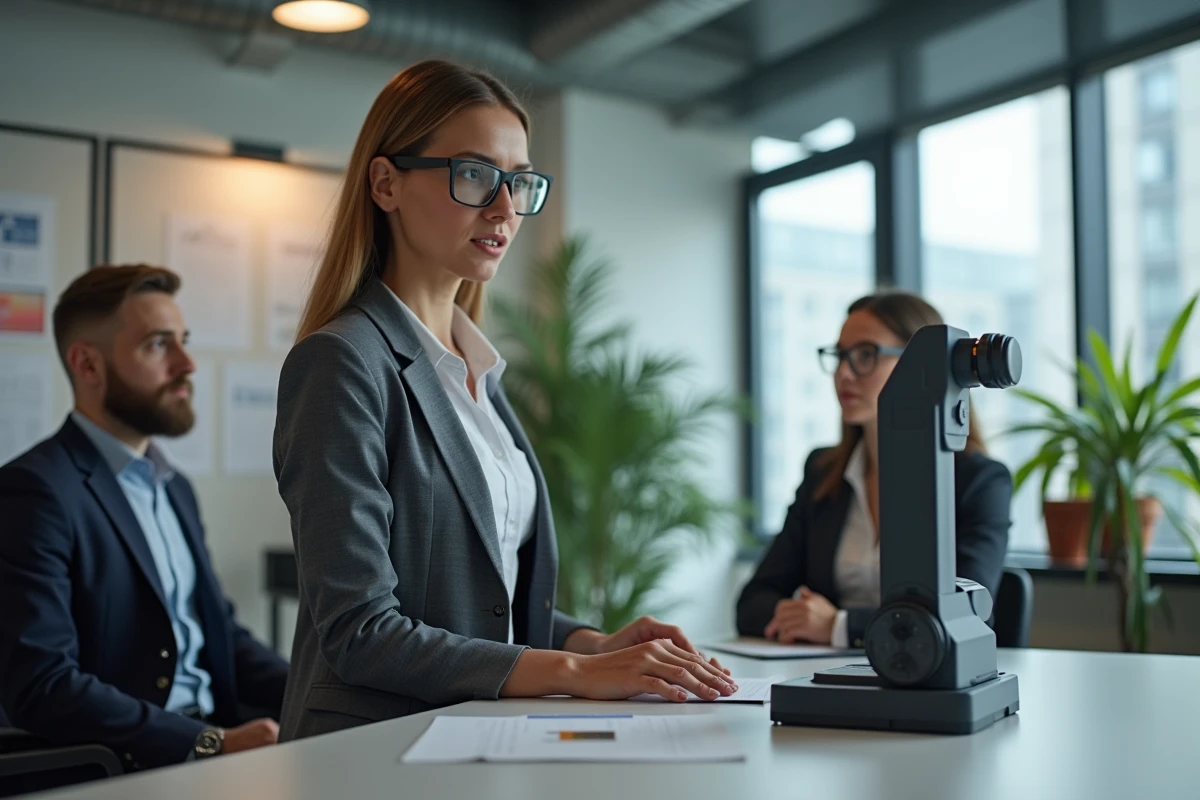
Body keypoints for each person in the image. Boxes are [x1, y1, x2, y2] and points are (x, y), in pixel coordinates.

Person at [273, 60, 734, 742]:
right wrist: (575, 673)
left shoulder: (478, 373)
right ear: (386, 183)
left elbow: (482, 607)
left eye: (518, 182)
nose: (505, 209)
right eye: (475, 174)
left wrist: (589, 643)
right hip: (374, 751)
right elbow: (360, 632)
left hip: (476, 740)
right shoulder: (343, 362)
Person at [0, 265, 289, 773]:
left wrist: (327, 696)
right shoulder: (35, 491)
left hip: (213, 745)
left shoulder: (173, 486)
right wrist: (211, 743)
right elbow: (43, 683)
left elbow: (220, 636)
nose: (187, 364)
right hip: (131, 765)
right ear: (88, 365)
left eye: (184, 341)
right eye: (158, 345)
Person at [736, 292, 1012, 649]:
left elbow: (966, 613)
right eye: (840, 355)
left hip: (927, 671)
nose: (843, 373)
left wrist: (838, 625)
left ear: (921, 366)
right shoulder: (822, 471)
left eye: (866, 355)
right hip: (822, 669)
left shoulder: (980, 480)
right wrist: (800, 618)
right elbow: (752, 603)